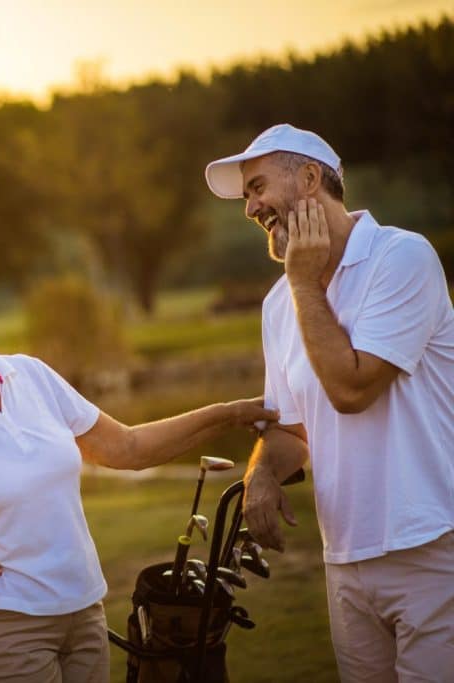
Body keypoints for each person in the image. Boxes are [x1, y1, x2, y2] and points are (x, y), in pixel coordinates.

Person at [0, 251, 278, 682]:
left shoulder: (31, 375)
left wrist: (228, 414)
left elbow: (127, 447)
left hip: (84, 612)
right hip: (2, 631)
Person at [205, 123, 454, 681]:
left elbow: (351, 389)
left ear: (311, 179)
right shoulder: (279, 304)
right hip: (345, 559)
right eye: (246, 195)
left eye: (258, 187)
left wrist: (303, 285)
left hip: (433, 546)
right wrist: (262, 474)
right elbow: (292, 430)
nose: (250, 208)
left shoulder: (403, 258)